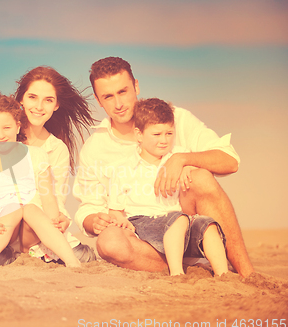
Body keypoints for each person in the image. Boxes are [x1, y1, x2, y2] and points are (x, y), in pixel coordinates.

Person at [73, 56, 254, 277]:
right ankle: (191, 268)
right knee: (109, 243)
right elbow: (88, 206)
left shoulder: (173, 118)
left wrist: (181, 160)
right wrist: (93, 221)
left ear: (136, 86)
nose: (118, 104)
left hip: (184, 218)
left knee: (200, 177)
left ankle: (247, 274)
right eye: (108, 97)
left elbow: (229, 160)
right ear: (98, 100)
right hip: (141, 232)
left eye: (123, 92)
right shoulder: (95, 147)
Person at [0, 66, 97, 266]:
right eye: (33, 97)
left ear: (56, 105)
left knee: (83, 255)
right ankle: (4, 256)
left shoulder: (53, 149)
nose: (39, 106)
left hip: (32, 229)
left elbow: (54, 197)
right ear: (21, 100)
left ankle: (46, 256)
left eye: (48, 100)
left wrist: (62, 219)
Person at [108, 98, 228, 276]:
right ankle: (177, 273)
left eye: (169, 133)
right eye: (156, 135)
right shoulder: (124, 168)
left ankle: (223, 275)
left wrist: (188, 166)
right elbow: (114, 209)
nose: (164, 140)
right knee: (178, 220)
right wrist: (120, 220)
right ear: (139, 134)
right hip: (144, 223)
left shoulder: (179, 156)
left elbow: (198, 166)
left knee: (207, 224)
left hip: (182, 222)